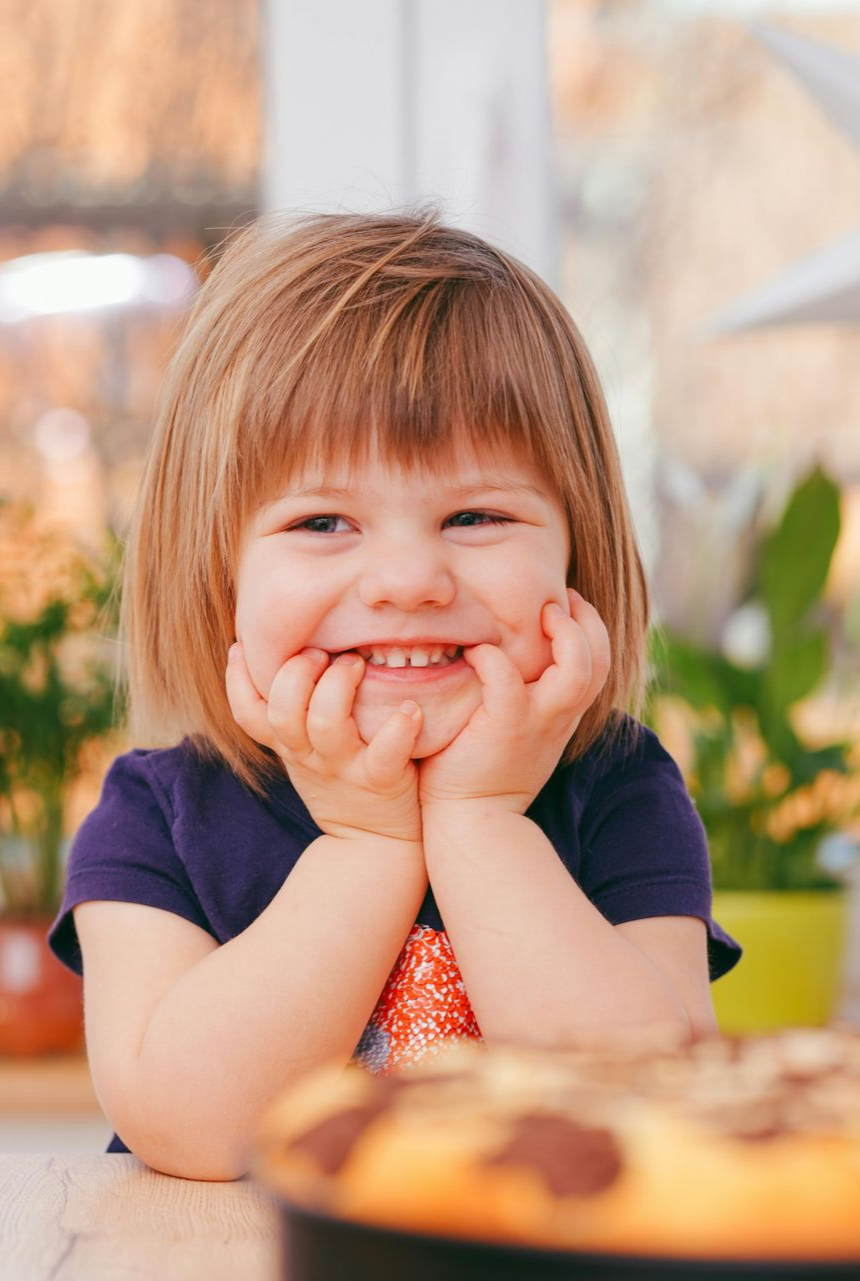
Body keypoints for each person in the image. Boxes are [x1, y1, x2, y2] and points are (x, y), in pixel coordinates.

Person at [47, 206, 741, 1182]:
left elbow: (649, 1112)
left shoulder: (617, 787)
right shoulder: (155, 814)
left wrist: (482, 822)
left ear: (575, 554)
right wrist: (367, 843)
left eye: (475, 514)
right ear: (218, 575)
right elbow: (190, 1130)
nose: (407, 579)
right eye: (324, 521)